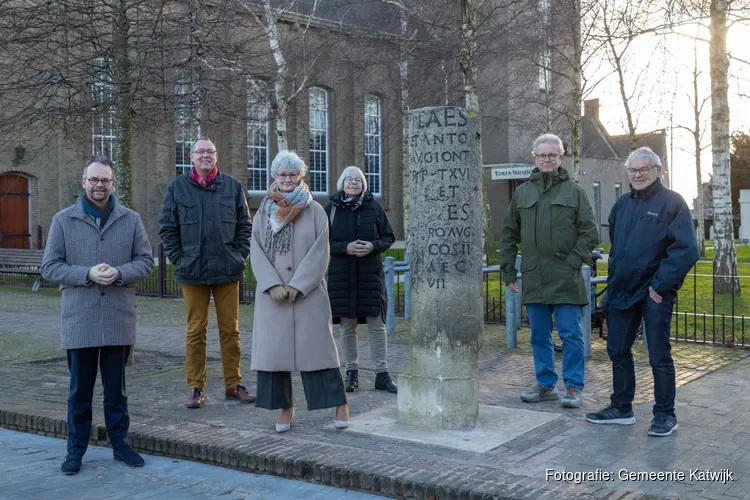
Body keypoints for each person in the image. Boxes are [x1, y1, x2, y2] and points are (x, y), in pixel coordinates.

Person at [41, 156, 154, 475]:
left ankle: (120, 445)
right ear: (83, 182)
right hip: (80, 318)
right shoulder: (63, 220)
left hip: (118, 316)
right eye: (94, 179)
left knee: (117, 390)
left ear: (113, 183)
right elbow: (50, 266)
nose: (99, 185)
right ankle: (75, 450)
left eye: (105, 180)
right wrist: (86, 273)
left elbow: (146, 261)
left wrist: (119, 272)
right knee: (80, 391)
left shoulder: (130, 219)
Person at [586, 147, 699, 437]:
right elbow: (618, 247)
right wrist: (612, 286)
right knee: (617, 349)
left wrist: (660, 284)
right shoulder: (622, 204)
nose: (637, 175)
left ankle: (665, 415)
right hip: (624, 290)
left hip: (654, 293)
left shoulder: (673, 203)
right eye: (632, 170)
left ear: (657, 170)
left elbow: (686, 250)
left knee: (658, 355)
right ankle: (621, 408)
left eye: (643, 169)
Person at [250, 151, 349, 432]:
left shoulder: (315, 210)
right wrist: (271, 284)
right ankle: (285, 408)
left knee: (318, 354)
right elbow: (255, 249)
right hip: (273, 298)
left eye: (292, 174)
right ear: (274, 177)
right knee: (275, 356)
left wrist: (298, 285)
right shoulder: (264, 211)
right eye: (282, 174)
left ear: (300, 176)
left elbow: (321, 252)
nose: (287, 179)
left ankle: (340, 404)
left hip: (307, 294)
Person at [499, 133, 599, 409]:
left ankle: (573, 387)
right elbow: (508, 234)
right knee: (538, 336)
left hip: (565, 276)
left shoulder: (574, 191)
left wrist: (573, 262)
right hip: (534, 276)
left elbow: (589, 232)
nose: (546, 159)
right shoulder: (522, 192)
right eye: (542, 155)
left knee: (571, 334)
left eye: (552, 155)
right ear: (534, 157)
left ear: (560, 157)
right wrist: (508, 272)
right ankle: (545, 385)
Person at [158, 137, 254, 409]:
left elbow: (245, 226)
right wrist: (179, 258)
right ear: (191, 156)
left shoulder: (232, 187)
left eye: (209, 151)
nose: (205, 156)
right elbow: (167, 227)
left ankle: (233, 384)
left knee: (230, 330)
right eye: (200, 151)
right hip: (192, 271)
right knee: (195, 331)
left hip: (227, 270)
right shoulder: (177, 188)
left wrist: (238, 255)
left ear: (216, 156)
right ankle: (195, 388)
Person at [326, 166, 397, 393]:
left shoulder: (374, 207)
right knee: (348, 327)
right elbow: (321, 242)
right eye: (349, 179)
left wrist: (372, 246)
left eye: (358, 180)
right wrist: (344, 248)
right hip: (342, 276)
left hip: (369, 275)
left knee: (378, 326)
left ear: (363, 184)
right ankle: (351, 372)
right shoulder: (331, 209)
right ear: (342, 183)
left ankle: (382, 374)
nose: (354, 183)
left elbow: (388, 236)